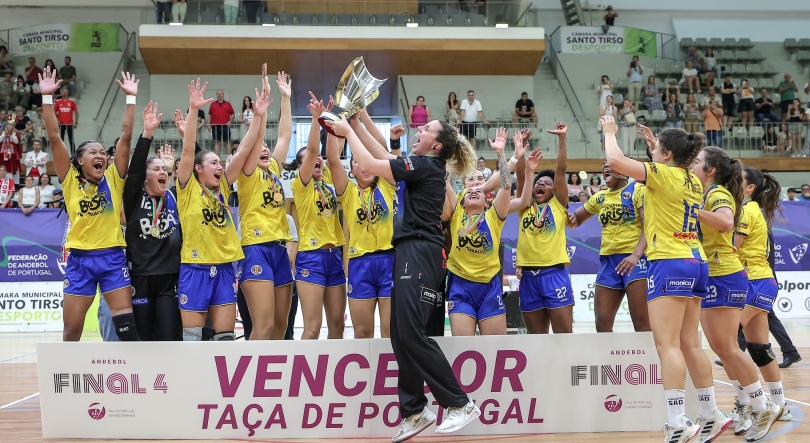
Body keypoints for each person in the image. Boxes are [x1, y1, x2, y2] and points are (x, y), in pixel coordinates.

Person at [325, 112, 481, 441]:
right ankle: (413, 410)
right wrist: (354, 124)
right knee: (399, 334)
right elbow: (382, 155)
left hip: (420, 253)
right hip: (409, 252)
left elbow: (369, 162)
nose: (418, 130)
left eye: (425, 129)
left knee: (411, 333)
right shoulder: (420, 166)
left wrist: (346, 133)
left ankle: (459, 403)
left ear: (435, 145)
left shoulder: (425, 166)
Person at [602, 118, 721, 443]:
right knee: (690, 343)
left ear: (667, 154)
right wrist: (657, 146)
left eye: (657, 149)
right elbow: (666, 172)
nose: (653, 152)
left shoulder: (663, 173)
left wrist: (610, 132)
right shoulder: (693, 180)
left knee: (666, 344)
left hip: (669, 262)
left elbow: (615, 162)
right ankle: (710, 413)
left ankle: (677, 421)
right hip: (696, 261)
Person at [40, 67, 140, 341]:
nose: (100, 155)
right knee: (72, 330)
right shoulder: (70, 179)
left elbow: (126, 138)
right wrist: (47, 98)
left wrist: (131, 99)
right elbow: (54, 137)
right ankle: (66, 380)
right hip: (80, 260)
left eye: (102, 152)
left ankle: (131, 376)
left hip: (111, 257)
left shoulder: (113, 177)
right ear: (79, 161)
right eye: (92, 152)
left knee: (125, 327)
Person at [692, 147, 776, 440]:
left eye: (698, 161)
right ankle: (749, 405)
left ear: (711, 169)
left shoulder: (717, 194)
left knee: (728, 347)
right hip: (713, 273)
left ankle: (762, 406)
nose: (694, 164)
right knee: (722, 348)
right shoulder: (705, 192)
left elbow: (726, 222)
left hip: (726, 274)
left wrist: (690, 209)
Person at [175, 79, 268, 341]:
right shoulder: (186, 187)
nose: (220, 165)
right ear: (198, 169)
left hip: (226, 267)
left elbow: (244, 150)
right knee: (192, 338)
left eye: (220, 162)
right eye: (214, 162)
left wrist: (258, 118)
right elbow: (189, 148)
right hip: (195, 267)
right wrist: (194, 110)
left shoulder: (224, 187)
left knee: (225, 339)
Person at [445, 129, 541, 336]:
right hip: (460, 283)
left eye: (480, 181)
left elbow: (506, 185)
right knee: (463, 347)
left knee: (495, 348)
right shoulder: (456, 207)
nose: (476, 186)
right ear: (463, 187)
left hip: (489, 285)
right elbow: (445, 180)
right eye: (471, 182)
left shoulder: (494, 215)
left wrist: (502, 154)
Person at [329, 113, 399, 339]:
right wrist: (332, 125)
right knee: (363, 332)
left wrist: (359, 122)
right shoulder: (348, 192)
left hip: (390, 260)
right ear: (352, 170)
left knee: (390, 331)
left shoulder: (388, 185)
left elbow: (381, 148)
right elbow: (332, 160)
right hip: (360, 264)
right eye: (357, 162)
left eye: (366, 160)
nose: (364, 166)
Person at [236, 69, 294, 341]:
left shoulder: (272, 168)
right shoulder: (246, 175)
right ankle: (249, 382)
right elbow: (255, 142)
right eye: (259, 148)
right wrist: (259, 115)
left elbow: (283, 136)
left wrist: (285, 98)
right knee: (264, 326)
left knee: (281, 327)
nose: (265, 149)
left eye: (265, 148)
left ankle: (274, 381)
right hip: (255, 249)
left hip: (280, 248)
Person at [284, 92, 346, 340]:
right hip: (311, 257)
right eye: (311, 160)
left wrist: (330, 121)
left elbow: (333, 153)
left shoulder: (328, 179)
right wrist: (315, 119)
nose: (317, 159)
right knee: (312, 328)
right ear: (301, 167)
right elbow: (312, 151)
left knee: (337, 326)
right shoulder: (302, 184)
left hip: (334, 256)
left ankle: (333, 377)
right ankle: (304, 378)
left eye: (319, 160)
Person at [733, 167, 788, 437]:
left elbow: (732, 247)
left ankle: (747, 405)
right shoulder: (752, 209)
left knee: (727, 343)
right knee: (758, 347)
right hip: (761, 282)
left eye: (738, 179)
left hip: (753, 282)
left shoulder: (746, 210)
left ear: (749, 187)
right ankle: (779, 404)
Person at [123, 103, 183, 341]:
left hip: (170, 277)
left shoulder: (173, 196)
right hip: (141, 276)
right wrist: (147, 135)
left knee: (170, 335)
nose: (163, 172)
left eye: (164, 169)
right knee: (144, 336)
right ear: (145, 177)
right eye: (156, 169)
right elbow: (135, 171)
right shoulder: (135, 197)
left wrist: (170, 167)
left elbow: (189, 174)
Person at [569, 163, 649, 332]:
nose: (605, 168)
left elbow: (648, 227)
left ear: (624, 169)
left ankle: (649, 359)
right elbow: (576, 219)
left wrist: (635, 255)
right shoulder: (600, 197)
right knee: (602, 324)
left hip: (635, 261)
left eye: (610, 165)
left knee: (642, 324)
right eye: (603, 166)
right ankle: (610, 358)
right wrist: (566, 216)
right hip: (608, 262)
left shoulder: (638, 190)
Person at [511, 121, 573, 334]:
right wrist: (521, 150)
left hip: (554, 274)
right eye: (539, 182)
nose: (541, 185)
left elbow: (561, 170)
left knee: (564, 339)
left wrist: (562, 139)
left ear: (556, 191)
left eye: (548, 183)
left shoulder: (558, 205)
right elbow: (521, 177)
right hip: (528, 278)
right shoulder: (524, 206)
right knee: (536, 341)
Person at [208, 89, 234, 157]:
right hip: (215, 126)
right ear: (216, 95)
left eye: (221, 93)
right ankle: (217, 158)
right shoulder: (213, 104)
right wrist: (208, 124)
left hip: (225, 126)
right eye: (218, 93)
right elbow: (209, 114)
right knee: (217, 142)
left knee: (227, 142)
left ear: (223, 95)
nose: (219, 95)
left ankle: (230, 158)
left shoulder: (228, 104)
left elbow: (233, 114)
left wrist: (230, 121)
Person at [54, 86, 78, 153]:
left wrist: (76, 122)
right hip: (61, 124)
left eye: (66, 91)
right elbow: (53, 113)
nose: (64, 93)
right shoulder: (58, 102)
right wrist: (56, 120)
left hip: (69, 124)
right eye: (63, 92)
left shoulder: (72, 102)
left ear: (68, 92)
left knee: (71, 139)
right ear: (61, 93)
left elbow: (76, 113)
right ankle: (61, 153)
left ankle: (73, 154)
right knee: (61, 140)